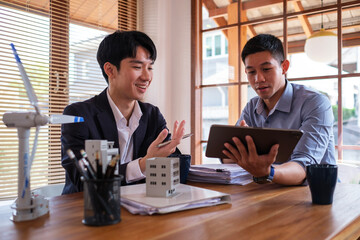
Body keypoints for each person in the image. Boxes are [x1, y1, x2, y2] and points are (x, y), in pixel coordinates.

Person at [61, 30, 185, 194]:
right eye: (137, 67)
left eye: (150, 67)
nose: (147, 76)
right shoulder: (78, 115)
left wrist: (171, 154)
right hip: (87, 212)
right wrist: (144, 164)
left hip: (141, 209)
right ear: (110, 70)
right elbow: (83, 180)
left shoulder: (152, 115)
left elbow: (172, 172)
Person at [222, 34, 335, 185]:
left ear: (284, 67)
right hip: (268, 193)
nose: (258, 79)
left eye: (266, 69)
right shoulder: (251, 107)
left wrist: (268, 172)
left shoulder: (316, 103)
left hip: (314, 195)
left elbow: (304, 167)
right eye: (251, 72)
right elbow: (230, 157)